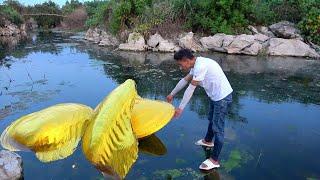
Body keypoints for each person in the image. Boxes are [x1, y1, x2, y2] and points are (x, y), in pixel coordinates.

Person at [166, 49, 233, 170]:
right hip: (215, 96)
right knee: (211, 119)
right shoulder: (196, 64)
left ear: (186, 60)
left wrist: (180, 108)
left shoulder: (200, 66)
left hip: (222, 98)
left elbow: (191, 88)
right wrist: (172, 94)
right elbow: (185, 81)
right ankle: (208, 141)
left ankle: (214, 160)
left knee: (218, 128)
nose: (180, 67)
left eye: (180, 64)